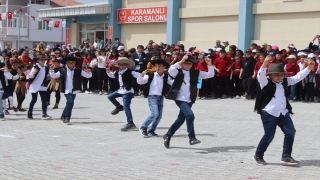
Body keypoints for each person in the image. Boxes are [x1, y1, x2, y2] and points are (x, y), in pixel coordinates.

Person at [253, 55, 315, 166]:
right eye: (276, 75)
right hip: (269, 113)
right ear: (270, 75)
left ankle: (286, 156)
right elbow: (260, 75)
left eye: (281, 74)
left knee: (291, 132)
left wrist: (308, 68)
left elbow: (297, 77)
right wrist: (265, 63)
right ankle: (258, 155)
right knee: (269, 135)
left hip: (283, 112)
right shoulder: (265, 82)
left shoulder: (285, 82)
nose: (279, 77)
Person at [163, 54, 214, 148]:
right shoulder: (177, 72)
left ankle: (168, 135)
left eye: (190, 63)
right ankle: (192, 138)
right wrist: (181, 60)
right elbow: (170, 70)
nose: (188, 65)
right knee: (190, 115)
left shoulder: (195, 73)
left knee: (180, 120)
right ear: (182, 64)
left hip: (189, 99)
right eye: (186, 63)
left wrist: (210, 65)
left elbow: (210, 74)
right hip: (179, 99)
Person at [49, 57, 92, 123]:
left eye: (72, 62)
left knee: (69, 103)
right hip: (66, 89)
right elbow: (54, 76)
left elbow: (88, 76)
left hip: (74, 89)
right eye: (69, 62)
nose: (71, 64)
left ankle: (63, 116)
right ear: (66, 63)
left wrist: (89, 72)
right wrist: (51, 70)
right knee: (70, 102)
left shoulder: (79, 70)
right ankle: (67, 117)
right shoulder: (62, 70)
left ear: (75, 63)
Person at [137, 58, 172, 137]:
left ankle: (151, 130)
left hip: (160, 97)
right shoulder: (150, 76)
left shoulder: (166, 77)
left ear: (164, 67)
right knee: (155, 113)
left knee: (159, 116)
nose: (157, 68)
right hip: (152, 97)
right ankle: (143, 127)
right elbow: (140, 81)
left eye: (159, 66)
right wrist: (141, 75)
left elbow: (173, 83)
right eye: (156, 66)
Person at [106, 57, 141, 131]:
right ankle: (119, 107)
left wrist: (143, 75)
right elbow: (112, 75)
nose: (121, 66)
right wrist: (108, 72)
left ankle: (130, 123)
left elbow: (138, 75)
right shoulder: (118, 72)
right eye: (120, 65)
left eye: (123, 65)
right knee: (110, 96)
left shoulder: (130, 72)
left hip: (128, 91)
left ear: (127, 65)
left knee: (126, 107)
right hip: (120, 90)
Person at [27, 55, 52, 120]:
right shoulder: (36, 67)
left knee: (44, 100)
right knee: (34, 100)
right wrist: (34, 73)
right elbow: (30, 77)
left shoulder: (46, 68)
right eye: (41, 60)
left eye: (44, 60)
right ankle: (30, 112)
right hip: (35, 85)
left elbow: (48, 76)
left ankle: (44, 114)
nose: (43, 61)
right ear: (38, 60)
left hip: (42, 85)